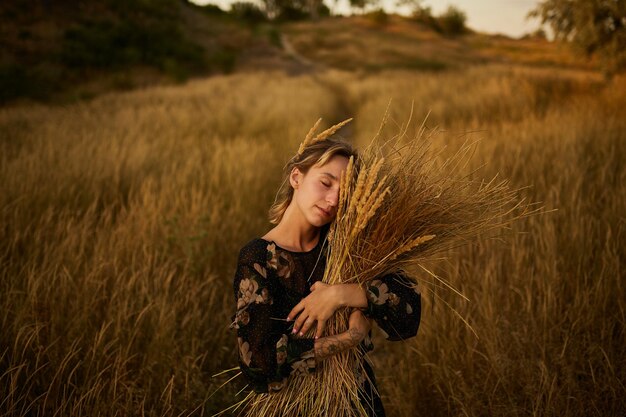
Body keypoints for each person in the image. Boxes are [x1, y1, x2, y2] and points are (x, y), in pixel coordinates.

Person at [230, 136, 422, 416]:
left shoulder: (347, 248)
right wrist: (350, 337)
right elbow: (259, 365)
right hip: (295, 407)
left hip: (357, 402)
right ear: (297, 177)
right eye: (325, 182)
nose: (333, 199)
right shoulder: (257, 258)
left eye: (343, 192)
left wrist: (340, 294)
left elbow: (409, 312)